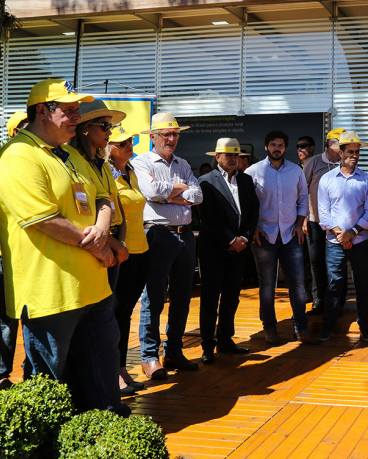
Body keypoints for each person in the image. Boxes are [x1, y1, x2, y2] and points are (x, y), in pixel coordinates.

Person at [0, 78, 125, 414]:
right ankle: (50, 436)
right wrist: (99, 247)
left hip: (93, 287)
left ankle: (107, 425)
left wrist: (103, 229)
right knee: (48, 381)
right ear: (42, 111)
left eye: (77, 109)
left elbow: (103, 197)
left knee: (101, 368)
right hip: (50, 293)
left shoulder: (71, 154)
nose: (77, 116)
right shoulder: (18, 155)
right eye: (69, 110)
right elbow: (43, 220)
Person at [133, 113, 204, 379]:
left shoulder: (182, 163)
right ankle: (150, 357)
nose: (171, 139)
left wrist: (167, 195)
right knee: (153, 298)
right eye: (166, 134)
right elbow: (150, 192)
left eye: (175, 134)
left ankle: (173, 351)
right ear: (153, 137)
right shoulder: (141, 162)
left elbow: (197, 195)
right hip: (158, 234)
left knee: (182, 298)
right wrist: (178, 191)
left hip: (185, 236)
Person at [245, 130, 318, 346]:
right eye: (273, 145)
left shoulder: (296, 171)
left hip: (290, 235)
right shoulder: (253, 172)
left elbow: (303, 199)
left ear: (285, 148)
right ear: (266, 147)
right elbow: (246, 203)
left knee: (297, 285)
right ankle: (269, 328)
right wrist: (253, 227)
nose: (277, 148)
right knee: (267, 285)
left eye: (281, 145)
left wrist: (299, 223)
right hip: (263, 236)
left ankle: (301, 329)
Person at [196, 138, 260, 364]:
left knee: (232, 296)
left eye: (236, 155)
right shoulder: (205, 181)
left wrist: (244, 238)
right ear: (217, 157)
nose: (233, 159)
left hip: (239, 249)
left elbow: (253, 211)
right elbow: (207, 217)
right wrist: (231, 239)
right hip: (214, 249)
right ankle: (207, 345)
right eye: (228, 155)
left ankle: (225, 339)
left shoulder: (246, 179)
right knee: (210, 298)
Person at [317, 131, 368, 342]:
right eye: (350, 151)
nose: (354, 155)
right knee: (334, 285)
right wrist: (340, 234)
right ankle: (328, 326)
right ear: (340, 153)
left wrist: (352, 233)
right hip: (334, 242)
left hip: (360, 242)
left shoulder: (366, 179)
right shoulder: (327, 179)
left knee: (362, 285)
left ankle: (365, 326)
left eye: (357, 152)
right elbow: (323, 212)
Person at [0, 110, 28, 391]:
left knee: (33, 315)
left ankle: (31, 371)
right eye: (25, 126)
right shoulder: (5, 160)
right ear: (14, 132)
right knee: (6, 317)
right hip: (5, 252)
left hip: (31, 251)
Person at [106, 124, 150, 396]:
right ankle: (113, 373)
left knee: (125, 314)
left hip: (141, 250)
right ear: (109, 148)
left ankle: (121, 369)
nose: (128, 146)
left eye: (130, 141)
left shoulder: (130, 172)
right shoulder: (106, 174)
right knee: (115, 315)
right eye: (122, 143)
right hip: (120, 253)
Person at [70, 100, 130, 290]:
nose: (109, 132)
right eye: (105, 126)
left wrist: (120, 243)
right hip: (96, 246)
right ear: (86, 128)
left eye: (110, 127)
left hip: (113, 244)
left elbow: (117, 206)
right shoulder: (75, 164)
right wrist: (116, 246)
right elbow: (84, 215)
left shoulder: (103, 166)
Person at [302, 128, 344, 314]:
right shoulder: (314, 162)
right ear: (330, 144)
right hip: (316, 221)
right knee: (316, 260)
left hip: (339, 224)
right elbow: (302, 191)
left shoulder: (345, 162)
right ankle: (318, 299)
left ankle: (336, 302)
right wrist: (303, 217)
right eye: (340, 143)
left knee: (337, 263)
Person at [296, 135, 317, 306]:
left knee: (314, 258)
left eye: (303, 146)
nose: (300, 149)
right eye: (298, 146)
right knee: (302, 258)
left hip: (314, 219)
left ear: (312, 147)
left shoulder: (319, 166)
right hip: (296, 220)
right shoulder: (294, 169)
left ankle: (317, 295)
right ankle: (306, 292)